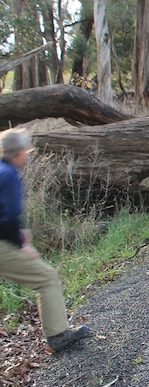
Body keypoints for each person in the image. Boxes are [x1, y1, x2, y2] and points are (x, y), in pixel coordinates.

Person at [0, 127, 89, 352]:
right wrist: (21, 245)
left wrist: (20, 231)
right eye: (26, 150)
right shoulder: (9, 174)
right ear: (19, 152)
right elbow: (8, 216)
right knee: (47, 278)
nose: (28, 154)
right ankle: (58, 335)